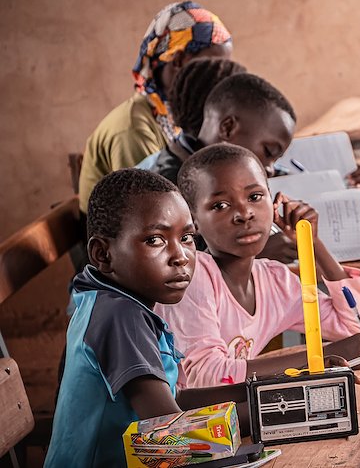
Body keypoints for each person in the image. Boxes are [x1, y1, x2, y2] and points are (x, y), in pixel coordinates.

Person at [46, 169, 248, 467]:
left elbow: (175, 399)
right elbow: (172, 433)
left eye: (187, 237)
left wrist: (264, 393)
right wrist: (266, 414)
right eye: (155, 240)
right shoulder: (119, 316)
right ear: (103, 254)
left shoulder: (114, 302)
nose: (180, 256)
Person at [156, 143, 360, 388]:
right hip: (181, 422)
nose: (244, 213)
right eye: (220, 205)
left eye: (254, 197)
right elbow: (206, 377)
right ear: (193, 221)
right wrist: (317, 358)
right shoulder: (194, 277)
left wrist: (312, 242)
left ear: (273, 202)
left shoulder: (274, 280)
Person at [151, 69, 360, 260]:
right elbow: (175, 259)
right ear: (229, 127)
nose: (269, 168)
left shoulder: (226, 165)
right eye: (268, 151)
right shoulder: (166, 190)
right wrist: (252, 251)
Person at [78, 1, 233, 214]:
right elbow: (150, 206)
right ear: (178, 60)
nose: (219, 77)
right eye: (213, 66)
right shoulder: (133, 128)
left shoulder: (173, 113)